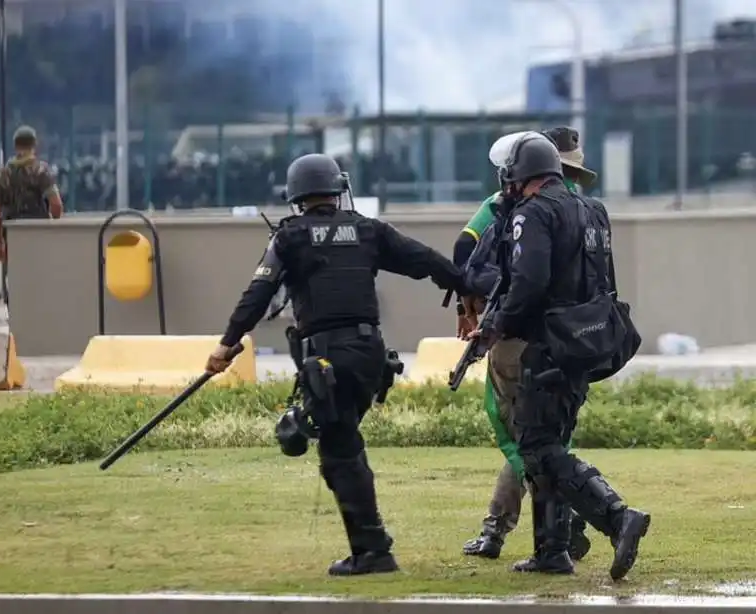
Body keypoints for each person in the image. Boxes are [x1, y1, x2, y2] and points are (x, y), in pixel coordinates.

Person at [204, 153, 472, 577]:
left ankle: (373, 552)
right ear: (337, 188)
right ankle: (372, 545)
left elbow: (257, 295)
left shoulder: (289, 238)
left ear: (296, 197)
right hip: (369, 357)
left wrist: (226, 345)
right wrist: (465, 290)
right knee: (341, 445)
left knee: (340, 451)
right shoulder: (367, 230)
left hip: (328, 359)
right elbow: (426, 261)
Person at [467, 130, 649, 580]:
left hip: (546, 343)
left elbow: (528, 284)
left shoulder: (532, 212)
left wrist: (495, 326)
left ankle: (615, 515)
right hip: (586, 340)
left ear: (518, 172)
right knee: (548, 439)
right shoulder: (593, 209)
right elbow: (603, 279)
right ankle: (552, 551)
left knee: (537, 446)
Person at [458, 127, 595, 562]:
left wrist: (491, 312)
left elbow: (467, 256)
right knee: (544, 438)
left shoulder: (516, 208)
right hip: (571, 339)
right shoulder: (586, 208)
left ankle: (570, 513)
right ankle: (511, 531)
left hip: (520, 337)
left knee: (522, 438)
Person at [0, 125, 64, 303]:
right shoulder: (41, 171)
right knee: (41, 284)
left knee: (14, 287)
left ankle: (15, 326)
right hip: (38, 235)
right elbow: (56, 205)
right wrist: (54, 221)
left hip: (12, 237)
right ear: (34, 145)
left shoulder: (1, 174)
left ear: (16, 146)